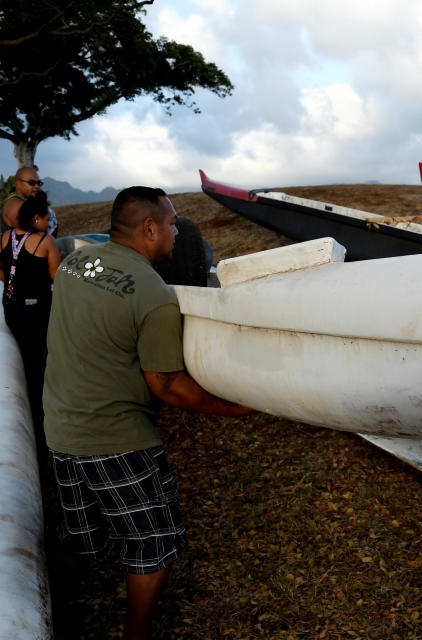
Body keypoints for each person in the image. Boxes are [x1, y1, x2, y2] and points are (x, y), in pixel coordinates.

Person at [43, 186, 255, 640]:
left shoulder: (77, 264)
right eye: (173, 223)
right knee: (153, 543)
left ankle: (52, 608)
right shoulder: (153, 296)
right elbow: (166, 385)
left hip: (61, 426)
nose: (178, 232)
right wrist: (233, 407)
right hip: (115, 437)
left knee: (80, 535)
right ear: (150, 228)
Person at [0, 190, 60, 442]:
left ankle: (33, 417)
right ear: (36, 218)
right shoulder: (45, 241)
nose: (49, 224)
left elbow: (2, 274)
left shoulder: (4, 237)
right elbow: (57, 276)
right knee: (42, 364)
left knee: (26, 362)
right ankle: (46, 421)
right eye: (47, 219)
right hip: (38, 312)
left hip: (12, 309)